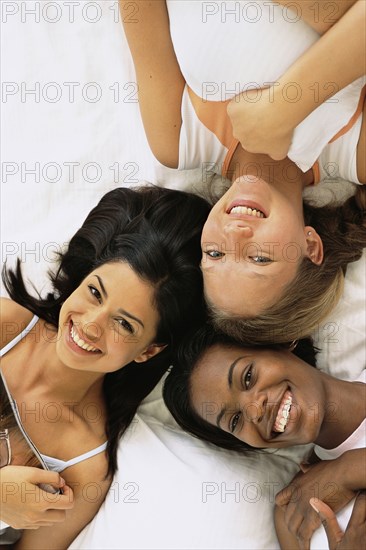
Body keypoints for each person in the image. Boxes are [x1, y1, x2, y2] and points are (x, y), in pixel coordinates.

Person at [121, 0, 366, 343]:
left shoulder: (176, 139)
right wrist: (281, 109)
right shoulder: (355, 148)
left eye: (215, 254)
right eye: (259, 258)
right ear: (310, 246)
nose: (234, 234)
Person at [0, 185, 210, 548]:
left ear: (149, 351)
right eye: (95, 292)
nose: (91, 325)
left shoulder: (84, 466)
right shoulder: (6, 327)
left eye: (125, 324)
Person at [163, 326, 366, 549]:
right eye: (235, 420)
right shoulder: (294, 512)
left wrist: (348, 471)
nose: (254, 411)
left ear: (282, 341)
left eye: (248, 377)